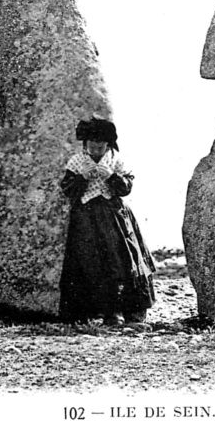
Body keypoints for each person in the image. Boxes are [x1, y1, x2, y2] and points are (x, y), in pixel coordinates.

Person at [58, 116, 157, 326]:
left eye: (100, 148)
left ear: (108, 145)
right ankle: (97, 312)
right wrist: (82, 177)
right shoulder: (76, 161)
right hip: (86, 218)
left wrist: (112, 176)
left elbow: (126, 188)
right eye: (91, 147)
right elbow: (67, 189)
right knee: (88, 262)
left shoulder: (116, 160)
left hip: (114, 217)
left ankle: (126, 311)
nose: (95, 152)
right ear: (85, 145)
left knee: (121, 260)